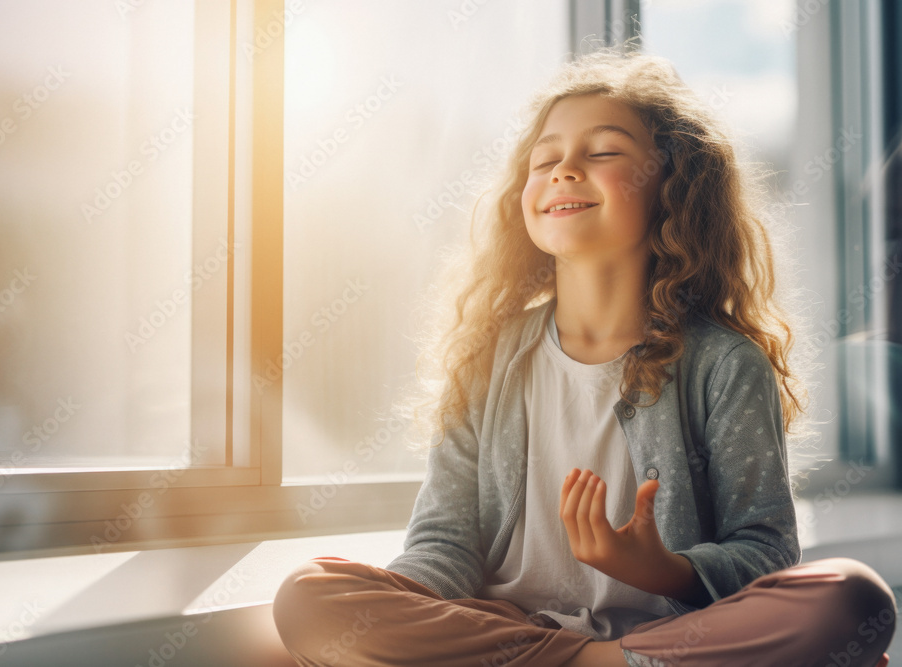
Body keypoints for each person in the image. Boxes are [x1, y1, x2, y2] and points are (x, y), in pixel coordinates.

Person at [272, 49, 897, 666]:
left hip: (670, 637)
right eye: (545, 158)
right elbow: (445, 542)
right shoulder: (487, 355)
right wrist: (396, 602)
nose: (564, 170)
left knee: (854, 599)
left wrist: (667, 569)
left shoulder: (725, 364)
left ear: (672, 187)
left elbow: (765, 554)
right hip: (512, 630)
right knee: (310, 596)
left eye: (602, 152)